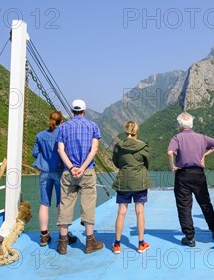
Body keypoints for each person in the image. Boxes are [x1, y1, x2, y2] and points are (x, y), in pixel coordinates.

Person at [56, 99, 104, 255]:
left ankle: (62, 243)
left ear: (72, 111)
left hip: (68, 172)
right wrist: (82, 168)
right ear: (85, 110)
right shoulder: (92, 126)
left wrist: (72, 167)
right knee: (88, 205)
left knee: (65, 204)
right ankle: (90, 242)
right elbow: (94, 149)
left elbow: (60, 150)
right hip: (87, 171)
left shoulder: (63, 127)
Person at [167, 112, 214, 247]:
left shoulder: (177, 138)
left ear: (180, 124)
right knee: (205, 203)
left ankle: (190, 237)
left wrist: (173, 166)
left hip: (182, 174)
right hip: (198, 174)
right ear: (191, 124)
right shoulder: (201, 137)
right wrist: (204, 155)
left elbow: (169, 152)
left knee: (184, 206)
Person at [32, 110, 77, 246]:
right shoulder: (63, 134)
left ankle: (44, 236)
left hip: (44, 172)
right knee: (60, 204)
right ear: (61, 121)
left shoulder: (40, 136)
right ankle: (63, 234)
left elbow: (35, 153)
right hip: (59, 172)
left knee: (44, 203)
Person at [111, 120, 152, 254]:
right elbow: (147, 163)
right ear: (136, 132)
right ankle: (141, 244)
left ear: (125, 131)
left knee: (121, 211)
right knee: (139, 211)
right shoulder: (143, 147)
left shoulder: (119, 146)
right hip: (139, 182)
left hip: (123, 181)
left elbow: (116, 162)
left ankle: (117, 244)